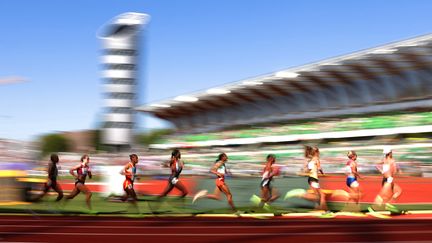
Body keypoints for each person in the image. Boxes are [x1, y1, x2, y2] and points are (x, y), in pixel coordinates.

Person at [285, 146, 327, 211]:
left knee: (318, 195)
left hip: (312, 179)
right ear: (317, 152)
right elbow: (319, 168)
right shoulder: (316, 159)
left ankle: (318, 209)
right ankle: (323, 210)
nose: (319, 153)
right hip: (313, 179)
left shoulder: (311, 160)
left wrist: (304, 172)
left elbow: (309, 169)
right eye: (318, 152)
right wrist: (323, 173)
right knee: (321, 195)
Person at [369, 147, 402, 213]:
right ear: (389, 153)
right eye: (391, 152)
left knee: (391, 193)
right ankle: (373, 208)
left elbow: (376, 165)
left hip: (385, 179)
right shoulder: (392, 160)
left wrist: (382, 172)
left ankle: (389, 206)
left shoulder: (384, 160)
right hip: (389, 179)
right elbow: (394, 171)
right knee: (396, 192)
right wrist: (398, 170)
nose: (392, 153)